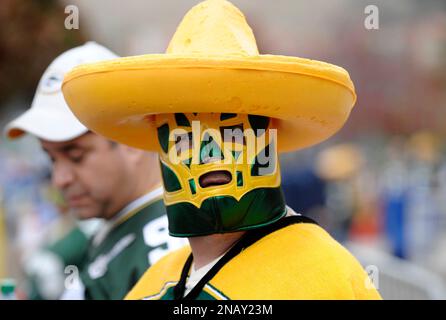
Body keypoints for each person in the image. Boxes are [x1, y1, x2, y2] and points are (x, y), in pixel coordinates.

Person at [62, 0, 381, 300]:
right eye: (185, 140)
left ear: (270, 135)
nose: (210, 155)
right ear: (158, 144)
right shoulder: (152, 282)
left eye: (233, 135)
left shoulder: (326, 277)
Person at [4, 42, 185, 299]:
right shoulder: (121, 226)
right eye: (52, 159)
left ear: (130, 141)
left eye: (75, 156)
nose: (60, 179)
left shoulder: (164, 247)